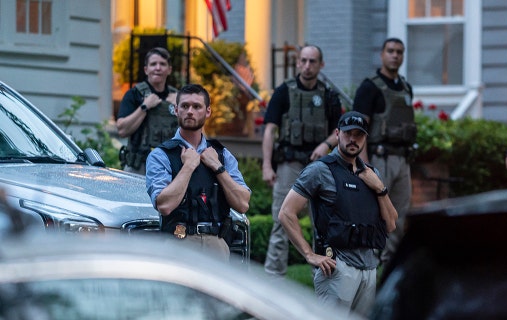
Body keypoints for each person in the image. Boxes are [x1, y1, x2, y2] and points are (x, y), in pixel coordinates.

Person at [278, 111, 397, 316]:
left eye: (358, 135)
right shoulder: (319, 170)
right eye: (347, 133)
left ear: (365, 139)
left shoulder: (372, 174)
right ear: (337, 134)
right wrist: (309, 254)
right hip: (337, 269)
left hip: (369, 270)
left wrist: (380, 188)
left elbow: (391, 224)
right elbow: (286, 213)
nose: (352, 139)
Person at [146, 84, 251, 261]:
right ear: (176, 110)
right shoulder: (161, 155)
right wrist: (188, 166)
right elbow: (164, 205)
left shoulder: (222, 155)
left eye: (197, 106)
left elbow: (242, 204)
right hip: (178, 244)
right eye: (185, 106)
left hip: (216, 245)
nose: (190, 111)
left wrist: (218, 168)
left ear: (208, 111)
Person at [262, 45, 342, 277]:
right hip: (289, 163)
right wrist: (267, 165)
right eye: (303, 61)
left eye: (312, 61)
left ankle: (324, 272)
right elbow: (269, 130)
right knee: (282, 219)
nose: (307, 66)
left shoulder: (329, 96)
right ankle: (273, 277)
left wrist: (325, 145)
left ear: (321, 65)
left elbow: (339, 131)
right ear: (297, 63)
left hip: (320, 166)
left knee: (323, 223)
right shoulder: (284, 92)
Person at [352, 38, 415, 266]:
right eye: (391, 51)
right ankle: (369, 264)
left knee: (398, 217)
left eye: (399, 52)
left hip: (402, 160)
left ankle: (390, 269)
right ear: (382, 54)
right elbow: (359, 131)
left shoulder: (406, 88)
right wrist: (364, 167)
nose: (395, 55)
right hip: (380, 158)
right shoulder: (370, 87)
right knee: (376, 214)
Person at [117, 47, 178, 175]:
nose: (158, 68)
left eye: (162, 64)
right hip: (139, 167)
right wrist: (144, 107)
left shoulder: (177, 97)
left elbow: (193, 130)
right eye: (153, 64)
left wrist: (180, 109)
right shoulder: (134, 94)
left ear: (169, 70)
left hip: (169, 167)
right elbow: (122, 130)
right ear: (146, 69)